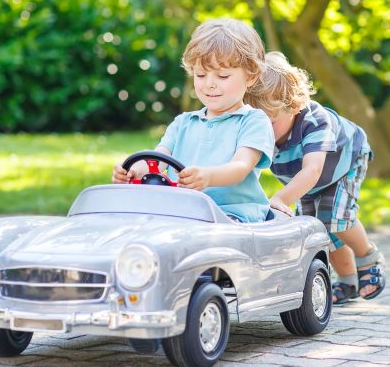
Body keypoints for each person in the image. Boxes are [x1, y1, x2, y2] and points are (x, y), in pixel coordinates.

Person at [245, 51, 386, 303]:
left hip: (344, 162)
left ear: (294, 106)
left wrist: (280, 198)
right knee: (320, 230)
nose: (264, 130)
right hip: (307, 181)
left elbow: (312, 170)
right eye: (258, 122)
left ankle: (368, 257)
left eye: (271, 122)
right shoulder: (259, 130)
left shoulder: (315, 122)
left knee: (334, 217)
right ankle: (347, 281)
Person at [112, 19, 274, 223]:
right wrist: (132, 171)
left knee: (214, 234)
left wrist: (208, 177)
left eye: (222, 76)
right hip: (183, 212)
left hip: (232, 215)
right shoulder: (183, 123)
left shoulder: (253, 121)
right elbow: (158, 160)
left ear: (251, 77)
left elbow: (240, 167)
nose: (209, 84)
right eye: (201, 75)